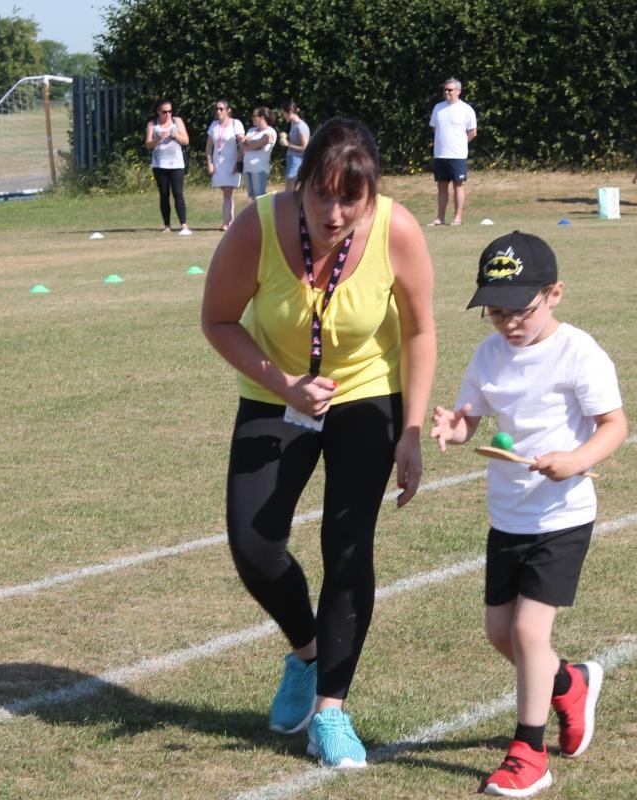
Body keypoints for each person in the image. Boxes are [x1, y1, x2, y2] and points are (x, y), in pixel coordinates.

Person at [201, 117, 437, 770]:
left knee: (347, 542)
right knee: (253, 544)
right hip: (279, 393)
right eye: (321, 195)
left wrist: (411, 430)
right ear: (299, 184)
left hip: (368, 393)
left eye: (351, 199)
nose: (335, 213)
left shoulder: (400, 230)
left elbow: (419, 333)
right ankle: (306, 651)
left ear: (372, 195)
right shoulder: (256, 226)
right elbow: (217, 320)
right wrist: (284, 383)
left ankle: (331, 710)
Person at [430, 231, 627, 797]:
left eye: (521, 308)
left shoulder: (579, 352)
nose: (509, 322)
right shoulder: (490, 353)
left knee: (527, 629)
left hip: (562, 516)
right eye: (495, 312)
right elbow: (472, 415)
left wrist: (576, 459)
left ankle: (528, 752)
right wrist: (454, 427)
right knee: (502, 635)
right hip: (508, 516)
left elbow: (615, 424)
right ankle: (571, 682)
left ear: (555, 294)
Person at [428, 77, 477, 226]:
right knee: (441, 186)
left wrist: (462, 143)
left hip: (457, 154)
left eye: (450, 90)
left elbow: (473, 132)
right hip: (440, 154)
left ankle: (457, 218)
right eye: (445, 90)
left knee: (458, 185)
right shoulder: (438, 108)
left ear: (458, 91)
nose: (447, 92)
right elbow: (435, 127)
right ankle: (440, 218)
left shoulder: (466, 109)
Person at [145, 99, 191, 235]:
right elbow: (148, 144)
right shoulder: (153, 124)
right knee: (164, 194)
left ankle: (184, 224)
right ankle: (167, 225)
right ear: (158, 112)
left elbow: (186, 141)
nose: (168, 114)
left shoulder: (177, 122)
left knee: (178, 193)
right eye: (165, 112)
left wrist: (175, 134)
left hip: (177, 164)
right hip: (160, 165)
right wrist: (158, 139)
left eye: (170, 111)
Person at [206, 99, 246, 230]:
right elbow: (209, 146)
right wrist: (209, 162)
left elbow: (242, 144)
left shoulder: (236, 123)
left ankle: (228, 222)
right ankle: (229, 221)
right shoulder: (214, 125)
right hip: (218, 163)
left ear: (228, 110)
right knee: (225, 193)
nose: (218, 111)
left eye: (221, 109)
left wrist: (238, 162)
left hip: (231, 162)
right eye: (217, 109)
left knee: (228, 192)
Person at [242, 106, 277, 201]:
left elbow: (260, 144)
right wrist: (254, 145)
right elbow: (243, 145)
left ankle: (265, 215)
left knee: (260, 197)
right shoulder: (251, 130)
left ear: (262, 117)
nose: (252, 118)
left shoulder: (270, 132)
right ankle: (256, 215)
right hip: (247, 168)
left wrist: (249, 143)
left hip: (259, 168)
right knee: (252, 197)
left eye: (254, 115)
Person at [280, 101, 311, 192]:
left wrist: (287, 144)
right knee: (289, 189)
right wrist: (285, 137)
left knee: (292, 190)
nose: (283, 116)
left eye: (283, 114)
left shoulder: (301, 126)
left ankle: (295, 206)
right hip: (292, 159)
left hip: (297, 161)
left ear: (289, 113)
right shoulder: (293, 124)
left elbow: (305, 147)